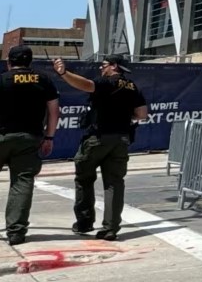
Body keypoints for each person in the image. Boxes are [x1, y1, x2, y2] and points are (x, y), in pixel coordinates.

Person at [53, 55, 146, 241]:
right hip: (121, 140)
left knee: (84, 179)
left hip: (98, 138)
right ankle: (110, 228)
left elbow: (86, 85)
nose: (101, 69)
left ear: (113, 66)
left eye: (103, 65)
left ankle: (85, 222)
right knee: (114, 184)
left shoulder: (107, 82)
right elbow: (141, 114)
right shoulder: (132, 86)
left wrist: (63, 73)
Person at [1, 46, 60, 245]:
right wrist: (49, 137)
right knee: (22, 182)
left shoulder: (2, 79)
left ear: (9, 62)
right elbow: (54, 111)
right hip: (29, 138)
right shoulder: (43, 80)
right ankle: (16, 232)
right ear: (30, 62)